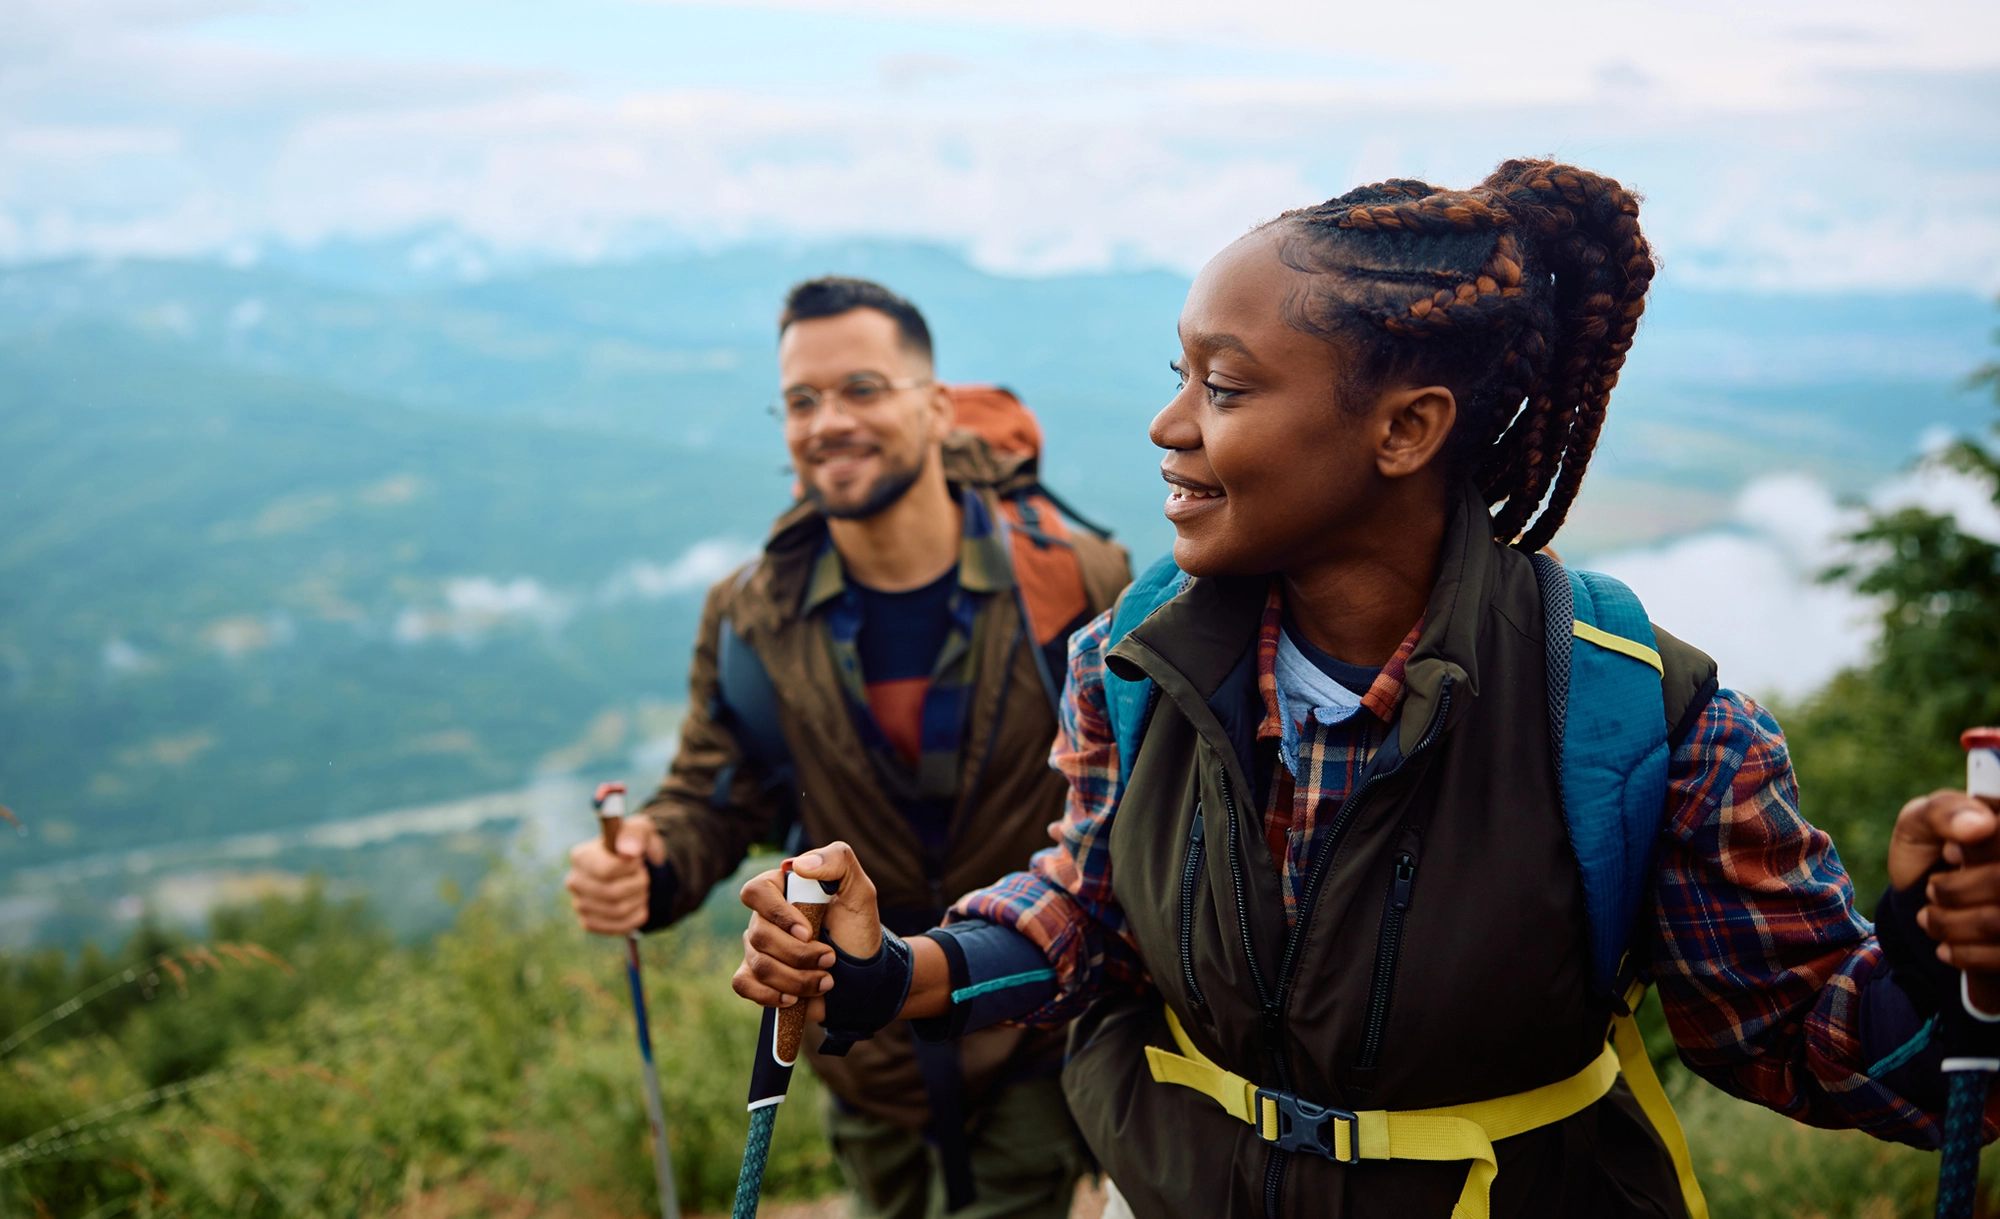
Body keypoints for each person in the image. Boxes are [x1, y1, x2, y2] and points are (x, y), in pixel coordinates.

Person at [730, 162, 2000, 1218]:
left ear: (1405, 431)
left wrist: (1942, 960)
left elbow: (1819, 1045)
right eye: (1177, 375)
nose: (1169, 426)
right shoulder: (1134, 660)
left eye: (1221, 387)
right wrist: (894, 972)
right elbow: (1092, 903)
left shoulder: (1637, 718)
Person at [565, 276, 1130, 1219]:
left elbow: (1130, 812)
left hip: (1026, 1030)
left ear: (936, 407)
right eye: (802, 399)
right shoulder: (755, 616)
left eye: (862, 389)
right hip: (858, 1050)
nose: (829, 420)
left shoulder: (1073, 577)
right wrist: (652, 865)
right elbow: (717, 793)